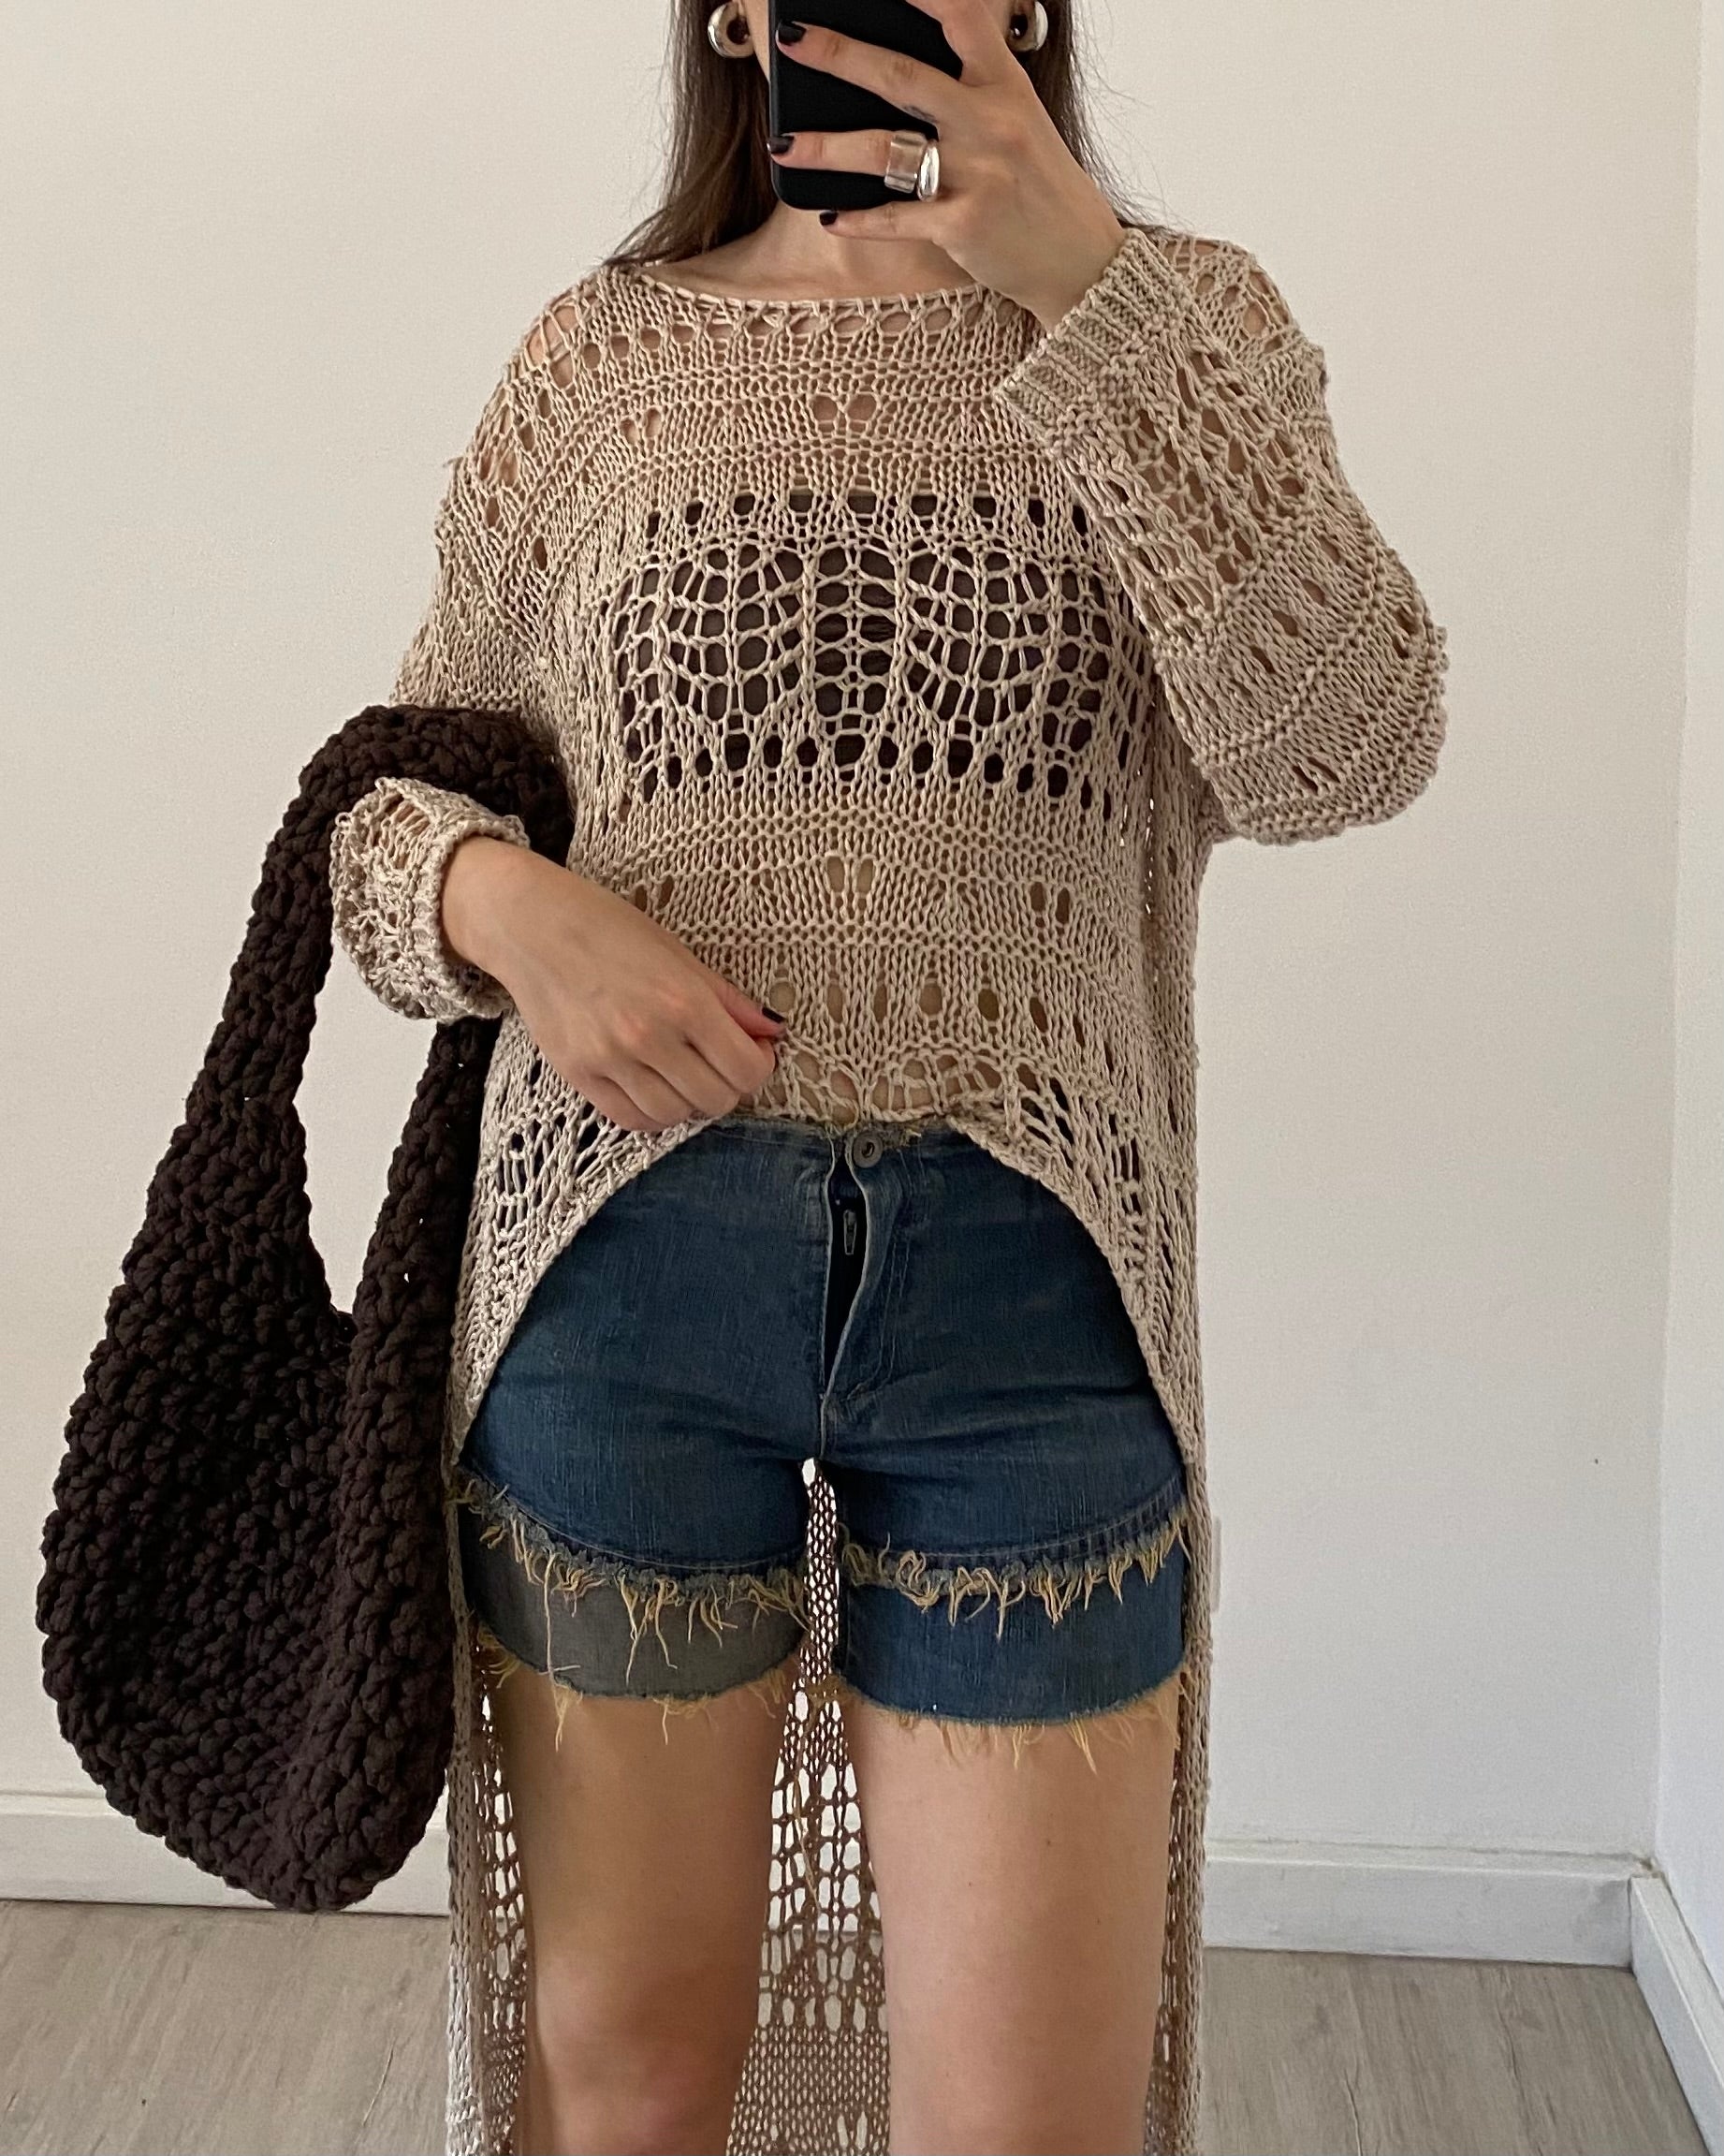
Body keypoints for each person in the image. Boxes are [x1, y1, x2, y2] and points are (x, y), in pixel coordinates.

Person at [329, 3, 1449, 2150]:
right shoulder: (603, 362)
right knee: (626, 2079)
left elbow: (1345, 749)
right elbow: (387, 809)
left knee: (1028, 2113)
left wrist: (1083, 289)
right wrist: (503, 901)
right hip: (619, 1283)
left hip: (1036, 1299)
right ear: (741, 21)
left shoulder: (1187, 324)